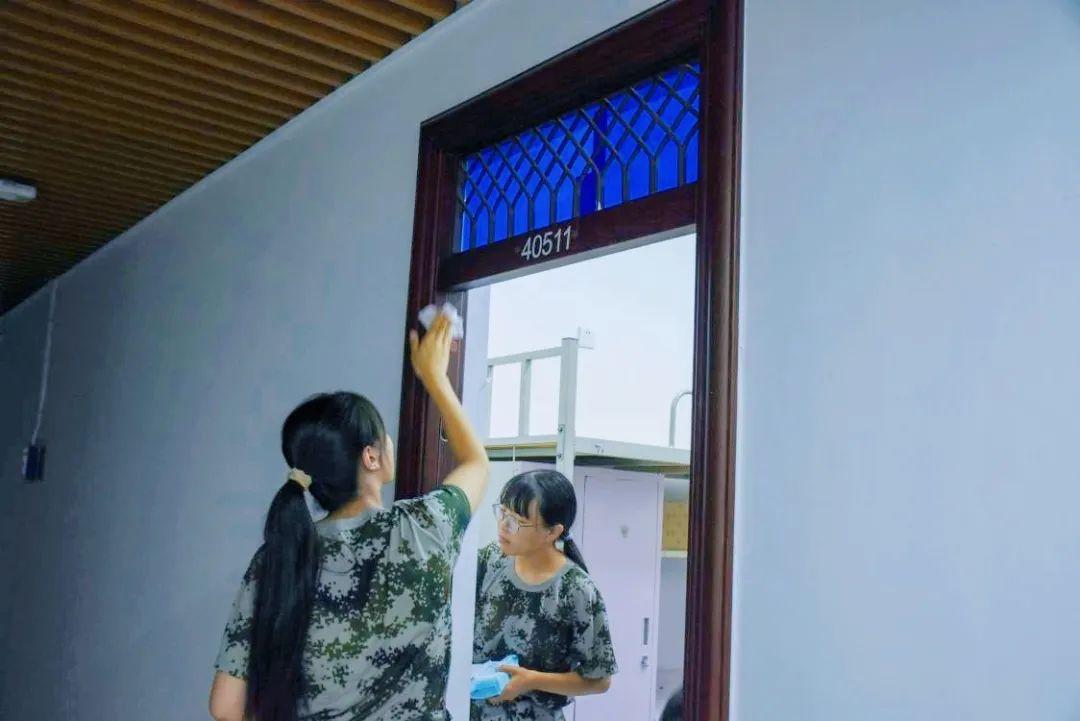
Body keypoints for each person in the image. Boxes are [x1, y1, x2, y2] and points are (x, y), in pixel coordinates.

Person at [208, 312, 489, 721]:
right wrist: (435, 377)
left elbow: (225, 706)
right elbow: (476, 463)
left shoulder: (279, 556)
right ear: (370, 457)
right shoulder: (424, 527)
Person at [472, 470, 617, 720]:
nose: (504, 526)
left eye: (517, 521)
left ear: (552, 532)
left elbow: (600, 680)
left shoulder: (576, 590)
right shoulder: (490, 561)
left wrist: (532, 680)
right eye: (502, 513)